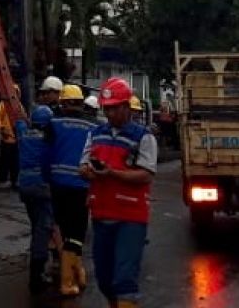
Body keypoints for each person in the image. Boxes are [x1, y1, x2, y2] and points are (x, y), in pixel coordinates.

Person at [81, 77, 157, 308]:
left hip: (131, 217)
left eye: (115, 108)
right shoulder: (95, 134)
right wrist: (90, 172)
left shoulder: (143, 137)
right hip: (102, 214)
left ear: (127, 107)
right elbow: (82, 166)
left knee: (124, 278)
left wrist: (112, 173)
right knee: (104, 279)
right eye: (107, 109)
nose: (111, 113)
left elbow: (146, 174)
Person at [47, 84, 97, 296]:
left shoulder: (53, 123)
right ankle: (69, 280)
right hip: (80, 184)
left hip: (57, 184)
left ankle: (75, 272)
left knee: (65, 229)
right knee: (77, 233)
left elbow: (45, 152)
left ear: (63, 101)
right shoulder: (92, 125)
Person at [15, 105, 56, 293]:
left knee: (36, 225)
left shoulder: (23, 134)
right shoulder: (49, 139)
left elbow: (18, 119)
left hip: (25, 186)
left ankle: (38, 263)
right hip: (42, 187)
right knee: (42, 229)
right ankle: (37, 274)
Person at [0, 86, 20, 190]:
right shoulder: (3, 105)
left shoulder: (19, 106)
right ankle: (3, 180)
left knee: (15, 162)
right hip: (6, 138)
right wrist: (2, 128)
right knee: (4, 162)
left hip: (15, 139)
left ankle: (14, 180)